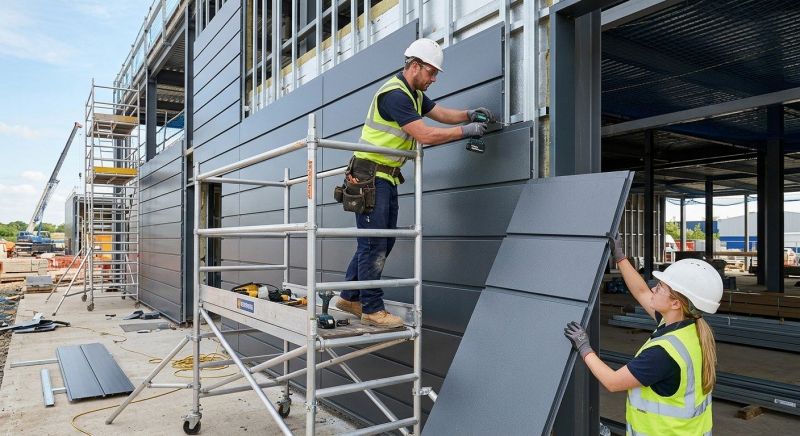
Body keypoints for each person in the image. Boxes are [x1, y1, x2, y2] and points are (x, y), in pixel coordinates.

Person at [335, 38, 493, 328]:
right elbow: (425, 134)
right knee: (374, 243)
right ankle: (372, 309)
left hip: (383, 176)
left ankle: (349, 296)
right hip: (370, 176)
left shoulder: (414, 94)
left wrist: (469, 115)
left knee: (382, 241)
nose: (434, 79)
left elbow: (440, 113)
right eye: (431, 72)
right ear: (415, 66)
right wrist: (465, 131)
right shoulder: (395, 95)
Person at [564, 235, 723, 435]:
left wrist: (584, 347)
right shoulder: (692, 328)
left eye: (661, 287)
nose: (653, 288)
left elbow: (612, 382)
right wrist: (621, 258)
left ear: (676, 303)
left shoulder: (663, 354)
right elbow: (641, 292)